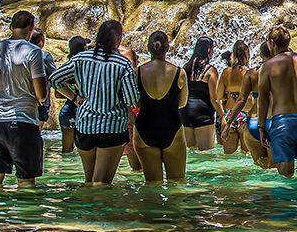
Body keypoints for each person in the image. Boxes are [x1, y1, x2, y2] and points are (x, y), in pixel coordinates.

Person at [53, 18, 140, 185]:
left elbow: (55, 79)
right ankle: (101, 211)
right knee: (102, 183)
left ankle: (83, 209)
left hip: (85, 126)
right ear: (119, 38)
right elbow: (132, 100)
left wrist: (74, 98)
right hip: (112, 128)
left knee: (89, 180)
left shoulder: (81, 58)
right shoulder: (122, 63)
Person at [0, 10, 53, 189]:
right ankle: (25, 217)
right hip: (23, 121)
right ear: (32, 28)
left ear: (11, 27)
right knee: (26, 182)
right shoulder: (33, 52)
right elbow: (41, 93)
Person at [251, 25, 297, 177]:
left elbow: (263, 100)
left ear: (272, 43)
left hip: (282, 121)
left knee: (286, 174)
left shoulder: (267, 67)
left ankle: (287, 201)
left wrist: (261, 127)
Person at [133, 31, 189, 185]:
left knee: (152, 185)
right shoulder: (179, 73)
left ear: (148, 48)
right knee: (177, 183)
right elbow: (182, 103)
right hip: (172, 127)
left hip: (144, 129)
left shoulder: (137, 72)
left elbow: (136, 102)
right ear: (168, 48)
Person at [216, 41, 256, 156]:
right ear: (247, 54)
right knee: (246, 156)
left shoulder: (225, 72)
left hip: (229, 114)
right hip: (246, 114)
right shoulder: (250, 73)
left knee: (228, 156)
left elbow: (219, 96)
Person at [181, 37, 219, 152]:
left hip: (185, 112)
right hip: (203, 113)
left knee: (191, 153)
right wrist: (223, 117)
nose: (213, 52)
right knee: (206, 154)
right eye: (212, 49)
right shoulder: (210, 70)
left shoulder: (185, 68)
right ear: (208, 50)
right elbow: (214, 99)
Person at [57, 35, 89, 153]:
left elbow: (57, 93)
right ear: (85, 48)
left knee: (66, 151)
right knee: (85, 150)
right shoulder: (85, 66)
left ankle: (65, 170)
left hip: (67, 110)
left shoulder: (66, 66)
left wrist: (72, 95)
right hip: (83, 110)